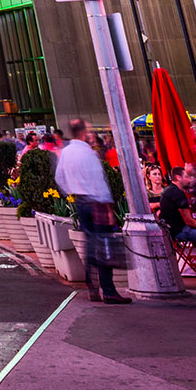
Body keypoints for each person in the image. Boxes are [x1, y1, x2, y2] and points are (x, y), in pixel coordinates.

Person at [57, 118, 128, 304]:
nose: (92, 135)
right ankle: (109, 291)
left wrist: (72, 192)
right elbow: (98, 181)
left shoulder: (67, 152)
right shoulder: (88, 154)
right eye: (89, 131)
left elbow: (60, 178)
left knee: (91, 246)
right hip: (96, 202)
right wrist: (107, 205)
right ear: (83, 133)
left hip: (80, 202)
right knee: (104, 246)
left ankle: (93, 288)